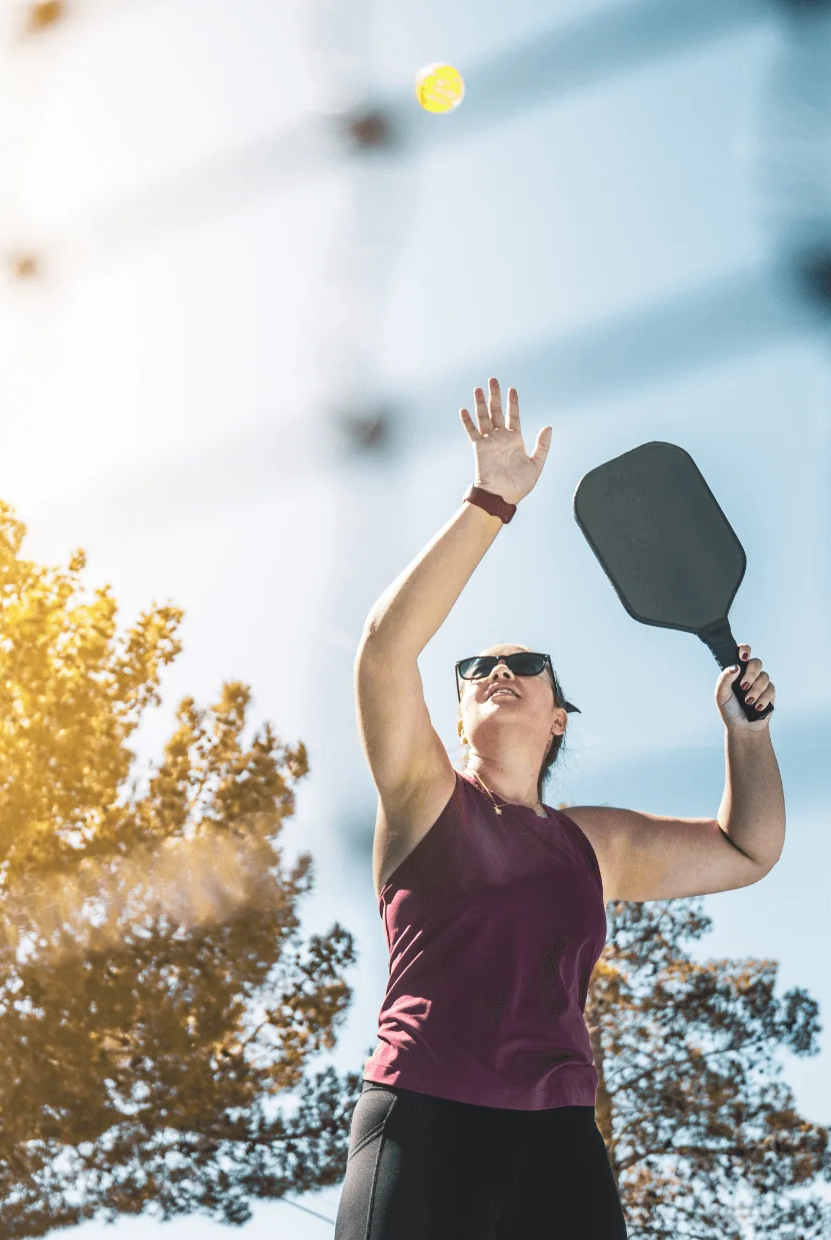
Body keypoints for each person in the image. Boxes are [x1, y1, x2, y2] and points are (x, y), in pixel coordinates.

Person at [335, 378, 785, 1239]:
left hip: (559, 1143)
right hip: (424, 1117)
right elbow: (386, 649)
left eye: (524, 663)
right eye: (474, 672)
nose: (495, 673)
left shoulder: (593, 845)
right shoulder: (426, 800)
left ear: (558, 715)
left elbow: (747, 850)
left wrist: (748, 735)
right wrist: (490, 500)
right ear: (458, 714)